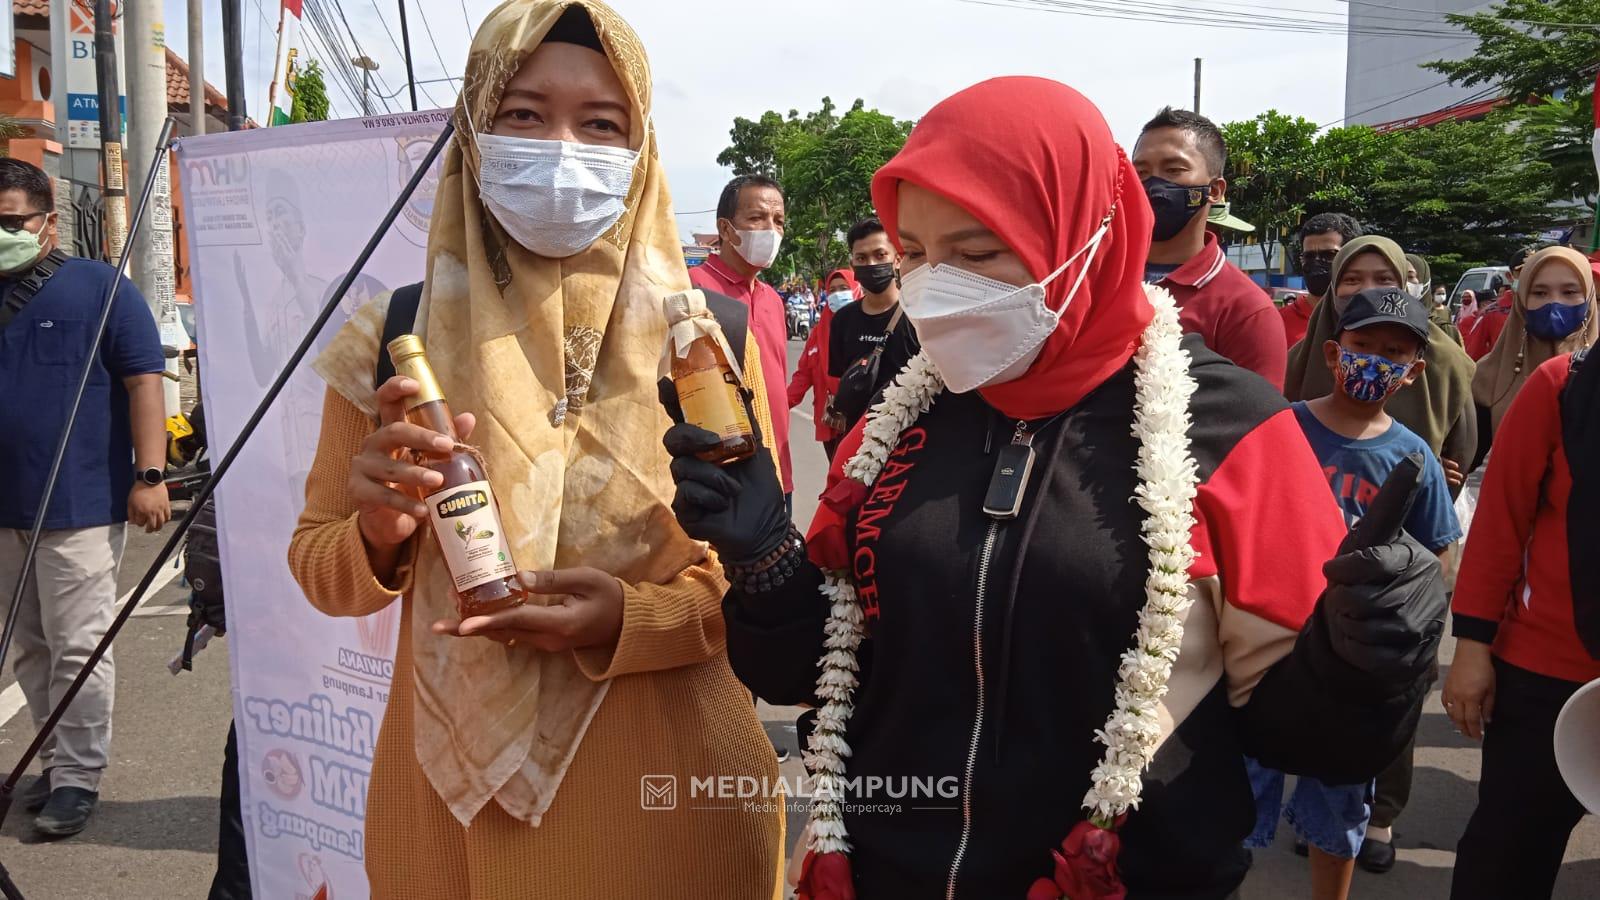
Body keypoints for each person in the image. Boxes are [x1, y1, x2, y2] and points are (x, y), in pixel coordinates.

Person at [663, 76, 1444, 898]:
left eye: (977, 251)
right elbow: (811, 673)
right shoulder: (901, 417)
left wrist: (1369, 661)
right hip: (881, 871)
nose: (936, 287)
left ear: (1087, 234)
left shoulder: (1230, 426)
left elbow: (1302, 738)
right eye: (919, 253)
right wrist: (765, 562)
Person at [287, 4, 781, 896]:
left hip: (671, 789)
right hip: (454, 811)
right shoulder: (395, 338)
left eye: (600, 124)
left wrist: (628, 619)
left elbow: (757, 573)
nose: (562, 148)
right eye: (522, 115)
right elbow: (322, 570)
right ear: (473, 133)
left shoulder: (709, 339)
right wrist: (378, 532)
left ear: (643, 149)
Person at [1246, 287, 1461, 898]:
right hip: (1268, 645)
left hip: (1351, 663)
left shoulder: (1412, 456)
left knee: (1338, 804)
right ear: (1336, 351)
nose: (1375, 361)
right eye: (1363, 345)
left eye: (1394, 352)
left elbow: (1438, 558)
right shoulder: (1283, 428)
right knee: (1241, 789)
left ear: (1414, 371)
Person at [0, 157, 169, 836]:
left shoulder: (100, 287)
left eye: (10, 220)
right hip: (3, 510)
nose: (1, 230)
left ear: (46, 223)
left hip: (79, 506)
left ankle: (78, 776)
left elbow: (144, 380)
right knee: (30, 649)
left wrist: (151, 475)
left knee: (78, 646)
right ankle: (49, 756)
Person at [1444, 347, 1598, 900]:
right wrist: (1472, 646)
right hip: (1546, 677)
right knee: (1508, 856)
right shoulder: (1562, 386)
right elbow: (1500, 523)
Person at [1286, 236, 1476, 496]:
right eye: (1352, 280)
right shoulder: (1298, 361)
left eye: (1384, 280)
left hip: (1407, 523)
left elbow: (1459, 458)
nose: (1368, 291)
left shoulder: (1446, 361)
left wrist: (1428, 472)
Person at [1133, 107, 1286, 389]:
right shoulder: (1098, 281)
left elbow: (1258, 422)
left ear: (1214, 191)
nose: (1152, 185)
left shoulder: (1246, 310)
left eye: (1173, 170)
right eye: (1140, 172)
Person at [690, 174, 793, 505]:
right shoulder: (693, 289)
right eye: (756, 218)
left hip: (778, 468)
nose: (771, 230)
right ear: (725, 229)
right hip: (725, 474)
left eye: (778, 221)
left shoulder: (773, 299)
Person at [1471, 246, 1597, 440]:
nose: (1554, 303)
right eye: (1539, 293)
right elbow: (1465, 456)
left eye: (1570, 292)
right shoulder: (1490, 375)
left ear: (1589, 297)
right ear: (1522, 299)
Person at [825, 216, 919, 432]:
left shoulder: (918, 317)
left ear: (897, 258)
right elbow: (839, 378)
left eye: (880, 255)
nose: (872, 264)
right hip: (857, 441)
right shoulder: (843, 320)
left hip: (911, 439)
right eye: (862, 258)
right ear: (853, 265)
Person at [788, 268, 855, 460]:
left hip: (861, 421)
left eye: (844, 288)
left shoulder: (868, 327)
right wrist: (779, 404)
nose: (837, 294)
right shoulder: (819, 332)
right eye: (832, 290)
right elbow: (803, 375)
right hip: (831, 421)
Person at [1283, 213, 1362, 349]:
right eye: (1309, 256)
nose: (1317, 262)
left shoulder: (1368, 322)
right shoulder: (1278, 322)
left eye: (1329, 255)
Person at [1465, 248, 1534, 361]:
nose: (1530, 277)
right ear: (1510, 276)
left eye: (1535, 271)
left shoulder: (1553, 311)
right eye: (1523, 271)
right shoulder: (1490, 313)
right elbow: (1471, 358)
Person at [1408, 253, 1461, 346]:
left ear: (1424, 281)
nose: (1404, 283)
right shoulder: (1382, 323)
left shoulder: (1445, 329)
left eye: (1410, 277)